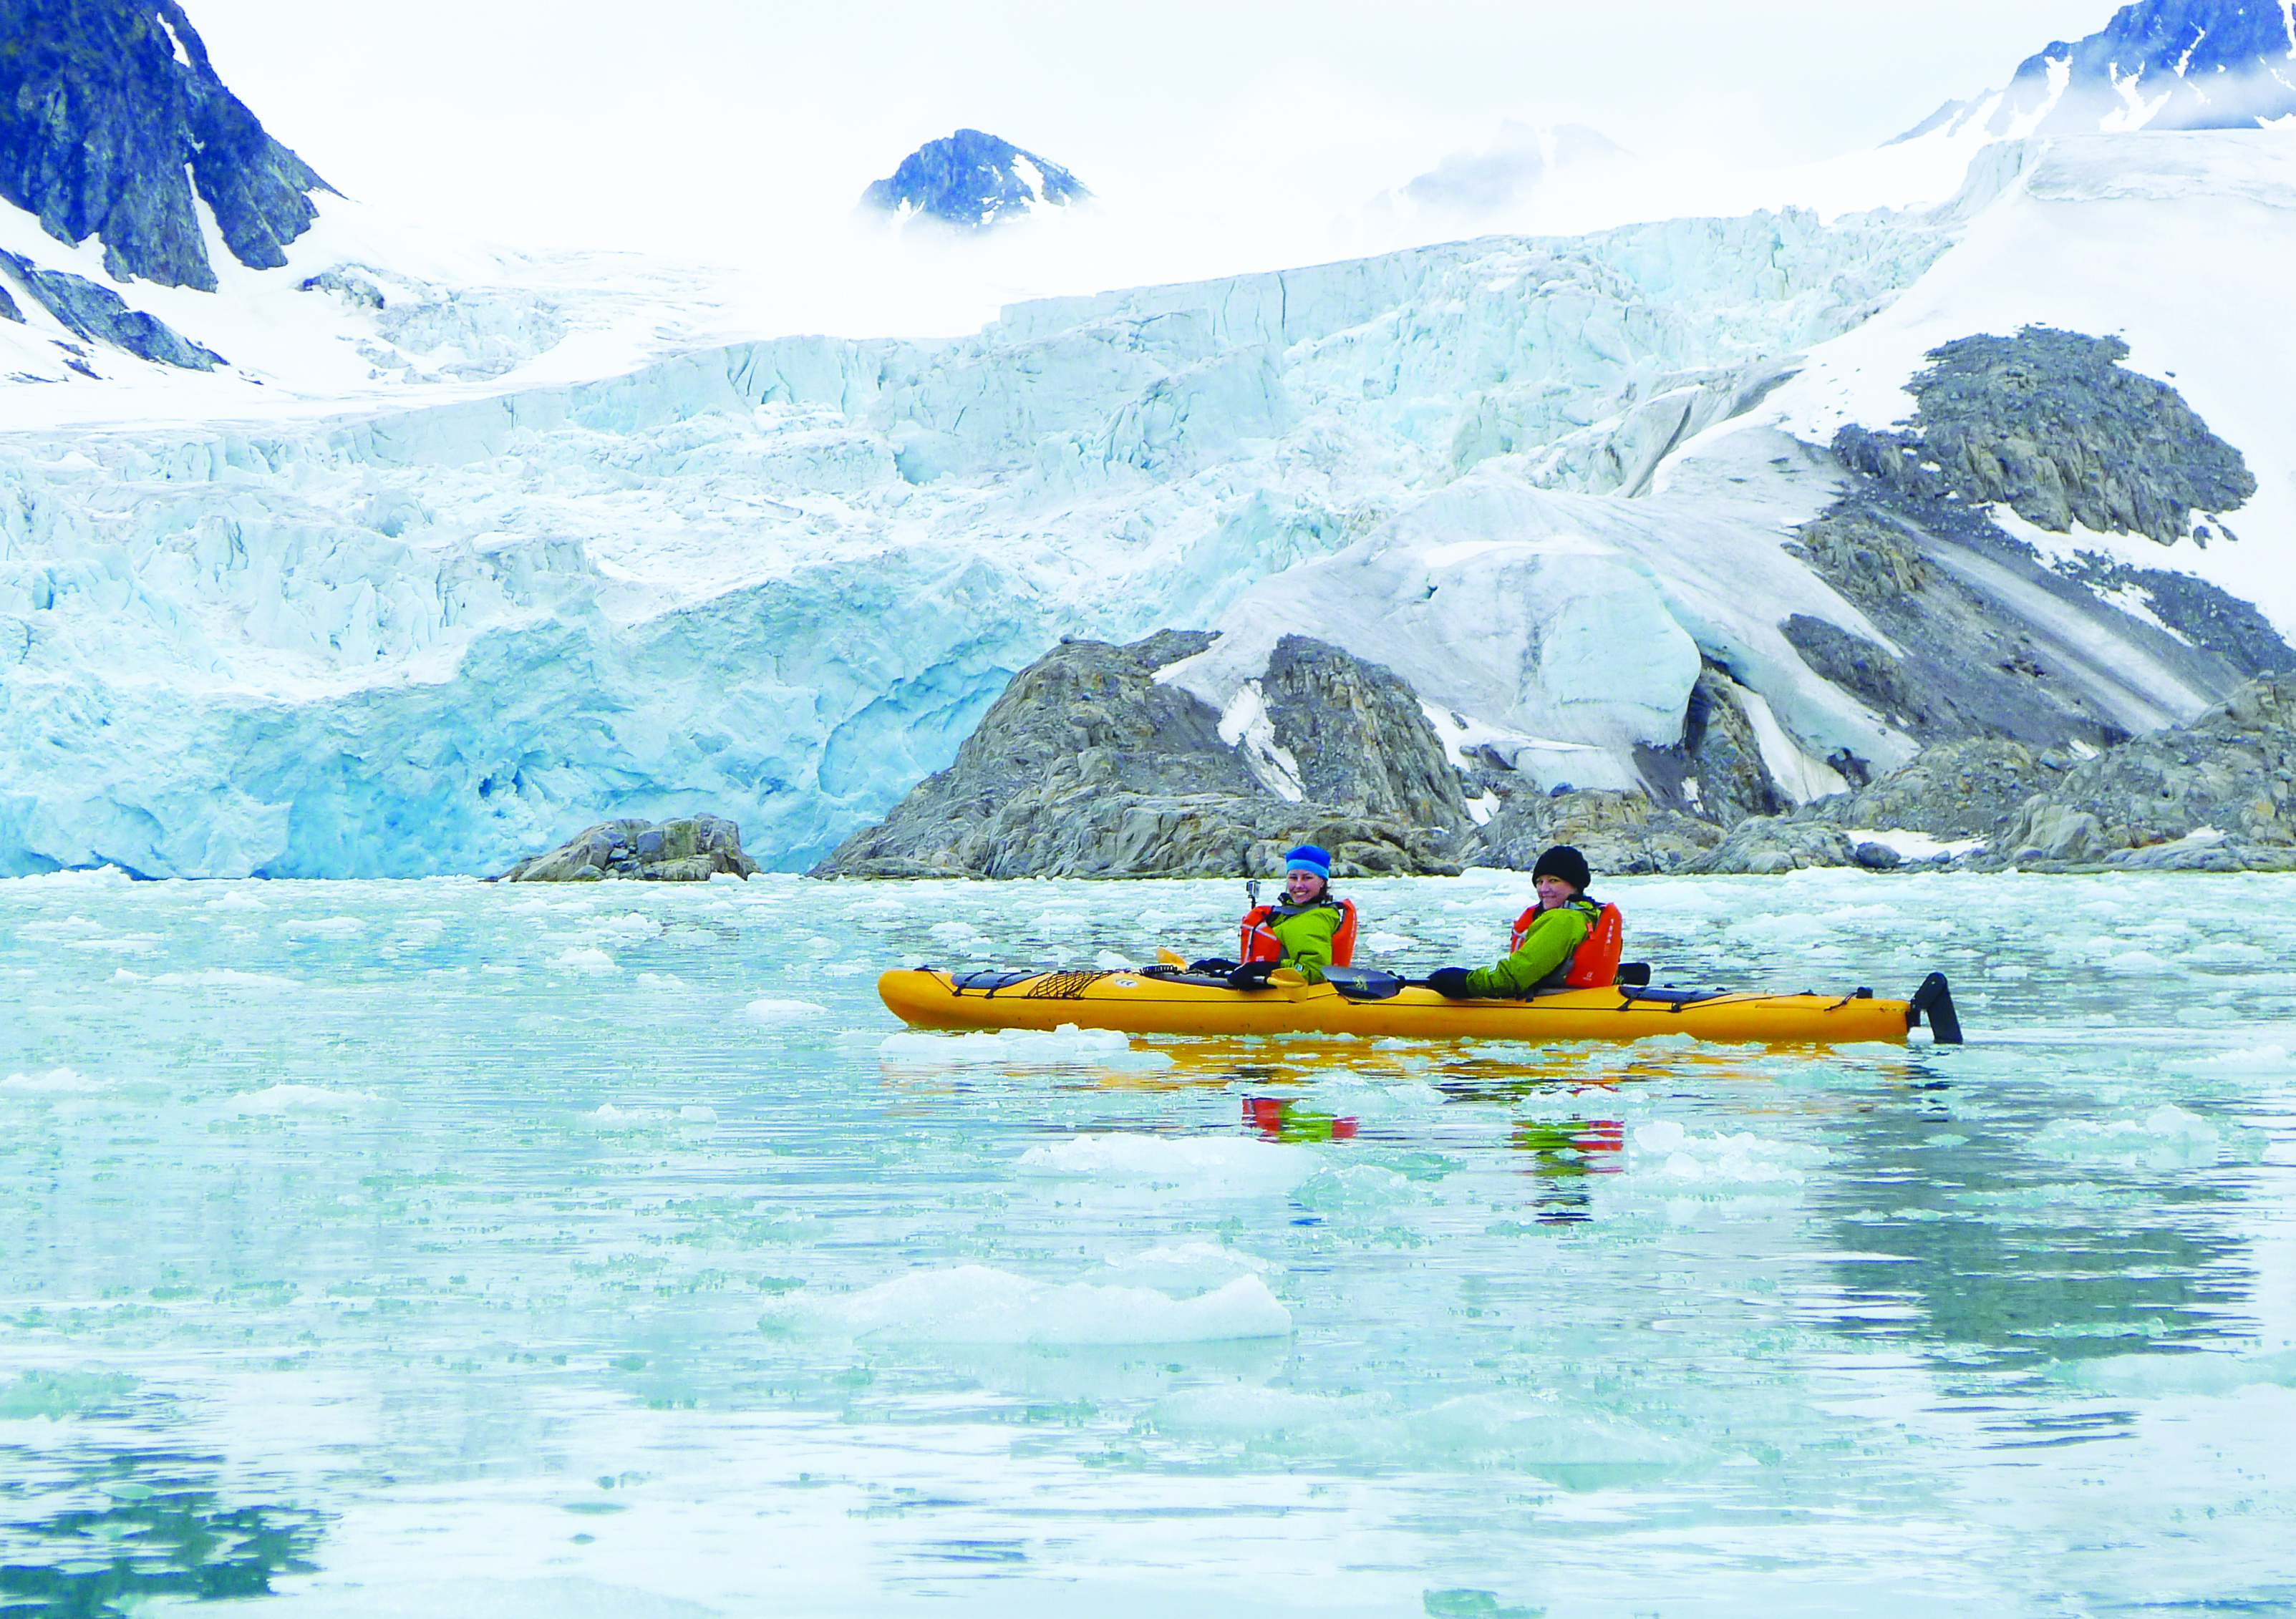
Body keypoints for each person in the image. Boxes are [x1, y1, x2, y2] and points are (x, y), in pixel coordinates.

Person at [1425, 845, 1619, 998]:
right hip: (1580, 999)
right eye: (1540, 882)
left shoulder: (1563, 919)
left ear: (1575, 885)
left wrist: (1466, 982)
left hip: (1557, 1003)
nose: (1544, 889)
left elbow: (1518, 974)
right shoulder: (1589, 914)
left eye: (1553, 881)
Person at [1190, 844, 1357, 988]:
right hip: (1273, 986)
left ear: (1322, 882)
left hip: (1291, 995)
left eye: (1307, 878)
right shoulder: (1292, 914)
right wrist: (1230, 967)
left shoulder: (1314, 919)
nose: (1298, 885)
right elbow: (1278, 956)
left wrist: (1261, 969)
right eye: (1293, 877)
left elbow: (1314, 972)